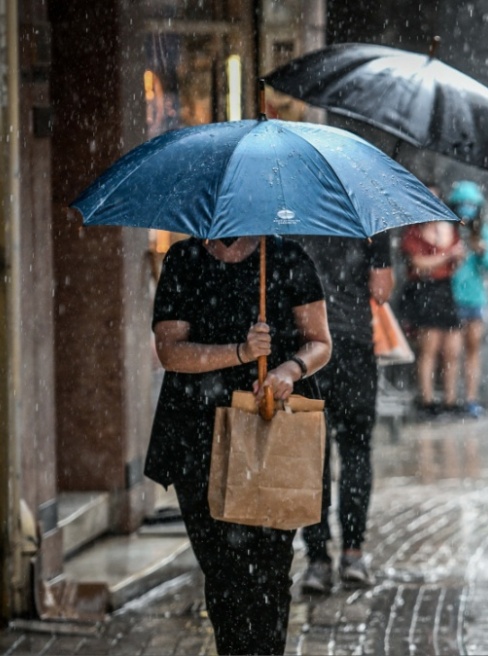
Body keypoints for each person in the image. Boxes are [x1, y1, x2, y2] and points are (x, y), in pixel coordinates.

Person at [148, 235, 331, 655]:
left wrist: (289, 369)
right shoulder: (184, 259)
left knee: (270, 573)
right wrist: (241, 352)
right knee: (223, 574)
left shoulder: (287, 257)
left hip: (272, 432)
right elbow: (170, 351)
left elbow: (320, 342)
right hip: (198, 438)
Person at [295, 231, 394, 593]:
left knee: (311, 456)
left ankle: (317, 560)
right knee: (355, 450)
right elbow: (381, 291)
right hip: (353, 346)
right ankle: (353, 554)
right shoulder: (368, 222)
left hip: (305, 351)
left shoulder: (290, 216)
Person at [399, 198, 466, 415]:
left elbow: (454, 261)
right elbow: (418, 264)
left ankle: (450, 399)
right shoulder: (414, 232)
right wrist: (445, 256)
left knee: (452, 349)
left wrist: (450, 257)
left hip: (445, 290)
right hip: (425, 291)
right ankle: (427, 400)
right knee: (429, 348)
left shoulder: (447, 230)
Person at [448, 181, 488, 418]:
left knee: (472, 350)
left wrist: (481, 251)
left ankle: (470, 398)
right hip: (452, 297)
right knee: (452, 352)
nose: (466, 209)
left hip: (475, 298)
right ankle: (450, 399)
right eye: (462, 204)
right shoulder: (449, 231)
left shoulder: (484, 232)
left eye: (471, 204)